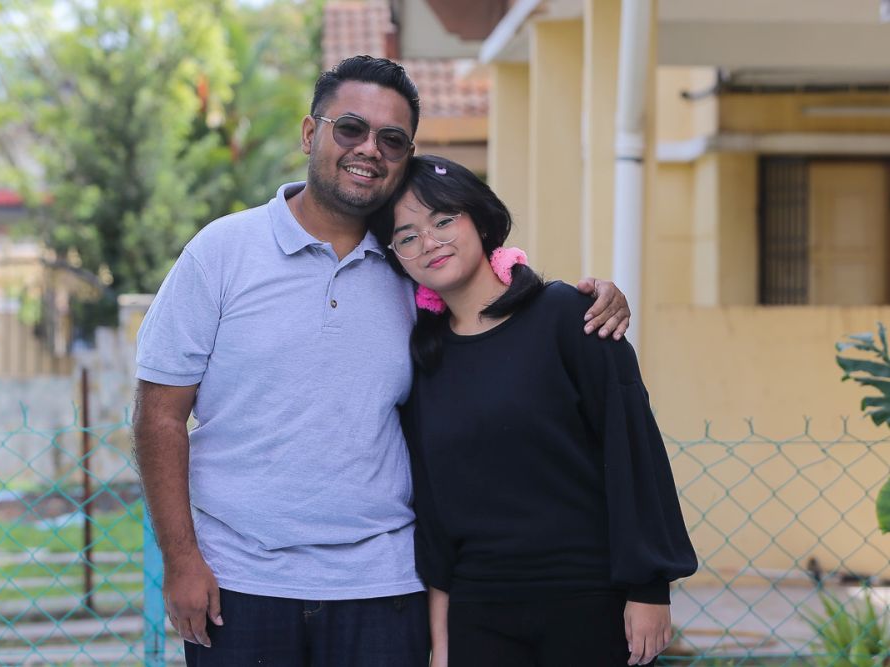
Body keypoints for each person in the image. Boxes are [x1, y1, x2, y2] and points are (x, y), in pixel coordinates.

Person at [132, 56, 632, 667]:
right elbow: (158, 415)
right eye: (351, 128)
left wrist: (592, 296)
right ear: (311, 133)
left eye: (391, 139)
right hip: (239, 584)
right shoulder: (221, 251)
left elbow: (494, 307)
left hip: (384, 587)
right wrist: (182, 561)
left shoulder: (412, 266)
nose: (369, 149)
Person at [368, 155, 697, 667]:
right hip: (480, 610)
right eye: (406, 236)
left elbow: (631, 446)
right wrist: (442, 643)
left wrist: (649, 587)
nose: (429, 242)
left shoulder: (568, 315)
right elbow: (432, 510)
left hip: (588, 598)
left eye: (443, 219)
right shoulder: (423, 361)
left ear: (478, 218)